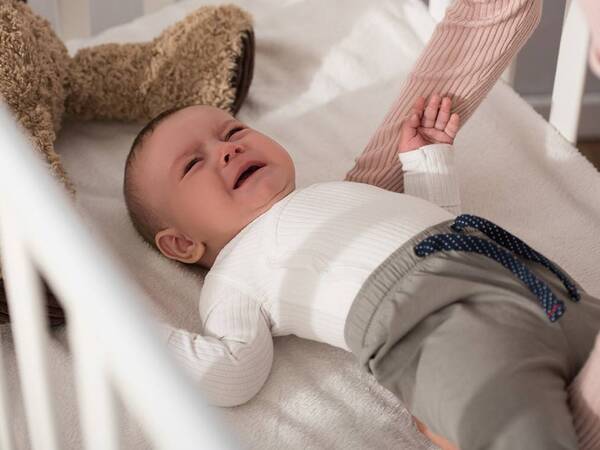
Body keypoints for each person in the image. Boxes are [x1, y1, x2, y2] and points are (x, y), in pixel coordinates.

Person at [123, 0, 600, 447]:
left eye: (233, 131)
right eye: (192, 164)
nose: (228, 149)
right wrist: (117, 327)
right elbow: (229, 371)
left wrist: (426, 162)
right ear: (183, 243)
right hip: (439, 329)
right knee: (521, 426)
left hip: (534, 281)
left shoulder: (334, 192)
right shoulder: (233, 277)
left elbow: (434, 226)